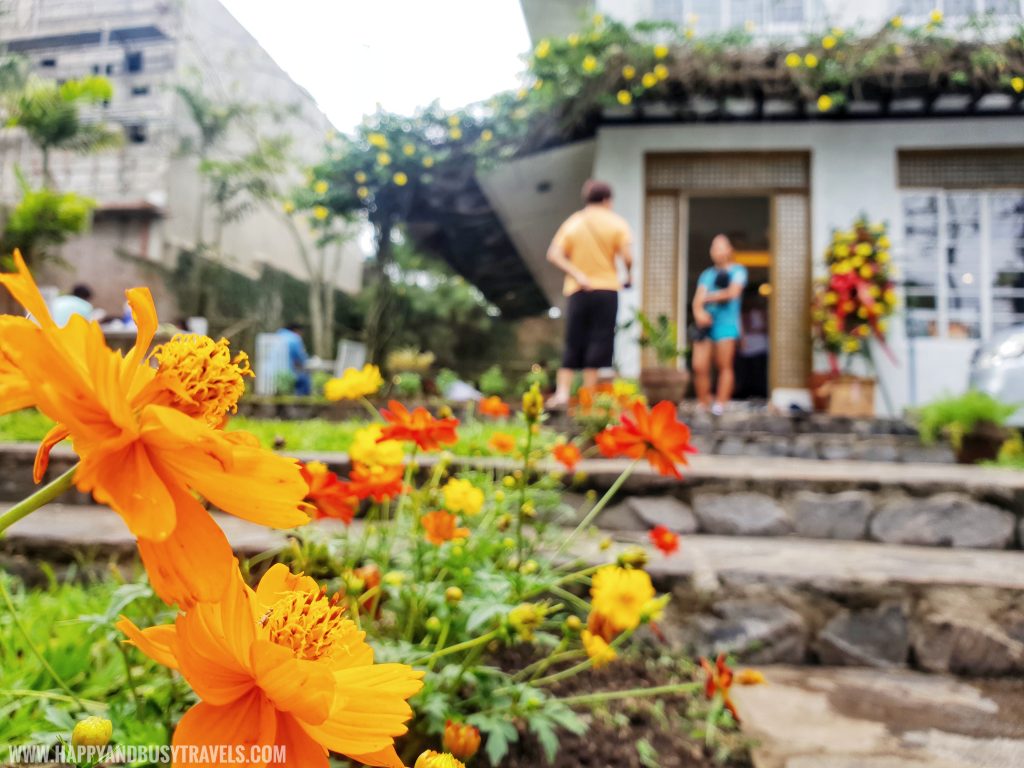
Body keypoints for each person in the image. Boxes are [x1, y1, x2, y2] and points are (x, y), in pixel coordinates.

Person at [545, 180, 634, 408]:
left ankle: (563, 393)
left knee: (573, 340)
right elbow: (628, 257)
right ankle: (587, 397)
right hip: (606, 289)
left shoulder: (574, 223)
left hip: (578, 289)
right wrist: (629, 276)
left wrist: (577, 273)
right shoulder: (616, 223)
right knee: (599, 339)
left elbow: (554, 254)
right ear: (607, 200)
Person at [692, 234, 747, 416]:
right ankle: (704, 400)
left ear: (729, 250)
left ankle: (721, 403)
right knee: (699, 365)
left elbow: (733, 293)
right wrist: (699, 313)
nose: (717, 251)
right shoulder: (707, 275)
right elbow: (697, 301)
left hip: (727, 324)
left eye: (721, 247)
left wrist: (708, 297)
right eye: (714, 248)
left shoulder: (738, 271)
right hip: (706, 326)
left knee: (723, 364)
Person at [276, 323, 311, 396]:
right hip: (286, 374)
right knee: (305, 378)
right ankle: (301, 402)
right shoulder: (294, 338)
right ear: (296, 330)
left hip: (268, 374)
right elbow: (301, 358)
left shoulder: (276, 336)